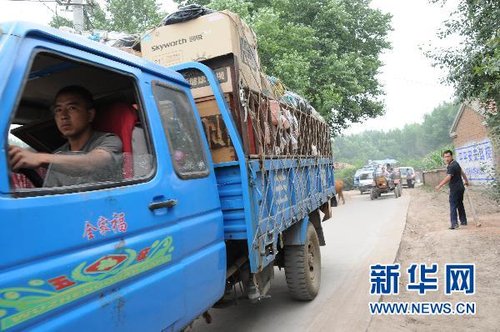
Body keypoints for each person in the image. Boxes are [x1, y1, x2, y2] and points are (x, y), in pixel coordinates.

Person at [9, 85, 123, 187]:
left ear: (90, 115)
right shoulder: (58, 155)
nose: (63, 116)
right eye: (58, 110)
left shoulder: (109, 140)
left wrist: (41, 158)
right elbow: (51, 195)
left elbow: (94, 163)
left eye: (72, 108)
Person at [435, 150, 469, 229]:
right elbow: (462, 173)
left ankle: (454, 224)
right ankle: (463, 221)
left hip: (455, 189)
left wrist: (439, 185)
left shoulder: (451, 166)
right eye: (445, 157)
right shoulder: (456, 163)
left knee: (453, 205)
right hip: (461, 188)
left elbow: (448, 177)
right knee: (460, 204)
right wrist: (466, 181)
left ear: (451, 156)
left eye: (448, 156)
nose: (446, 158)